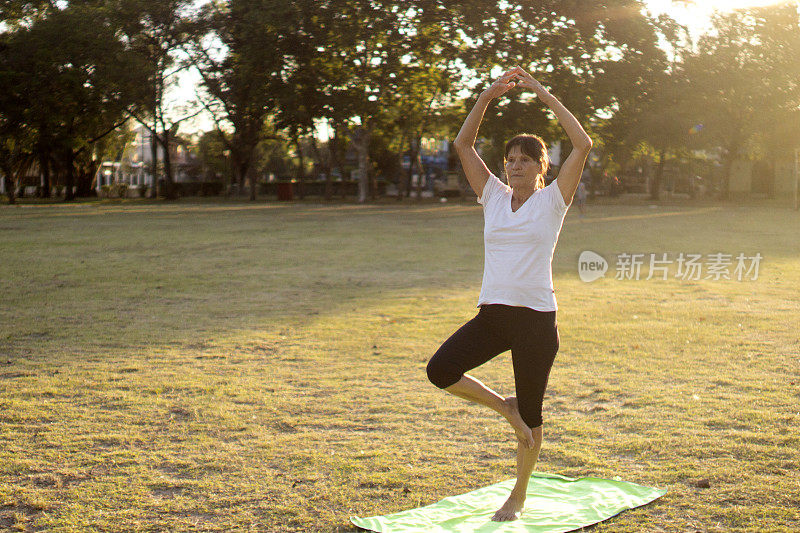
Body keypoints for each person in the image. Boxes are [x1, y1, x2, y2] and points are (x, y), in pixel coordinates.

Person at [426, 66, 592, 522]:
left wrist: (540, 91)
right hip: (494, 315)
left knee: (533, 419)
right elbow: (462, 145)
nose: (515, 164)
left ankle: (517, 495)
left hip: (536, 320)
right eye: (510, 159)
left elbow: (583, 144)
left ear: (543, 167)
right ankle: (506, 408)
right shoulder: (494, 196)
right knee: (440, 369)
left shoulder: (554, 199)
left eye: (525, 159)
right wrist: (485, 96)